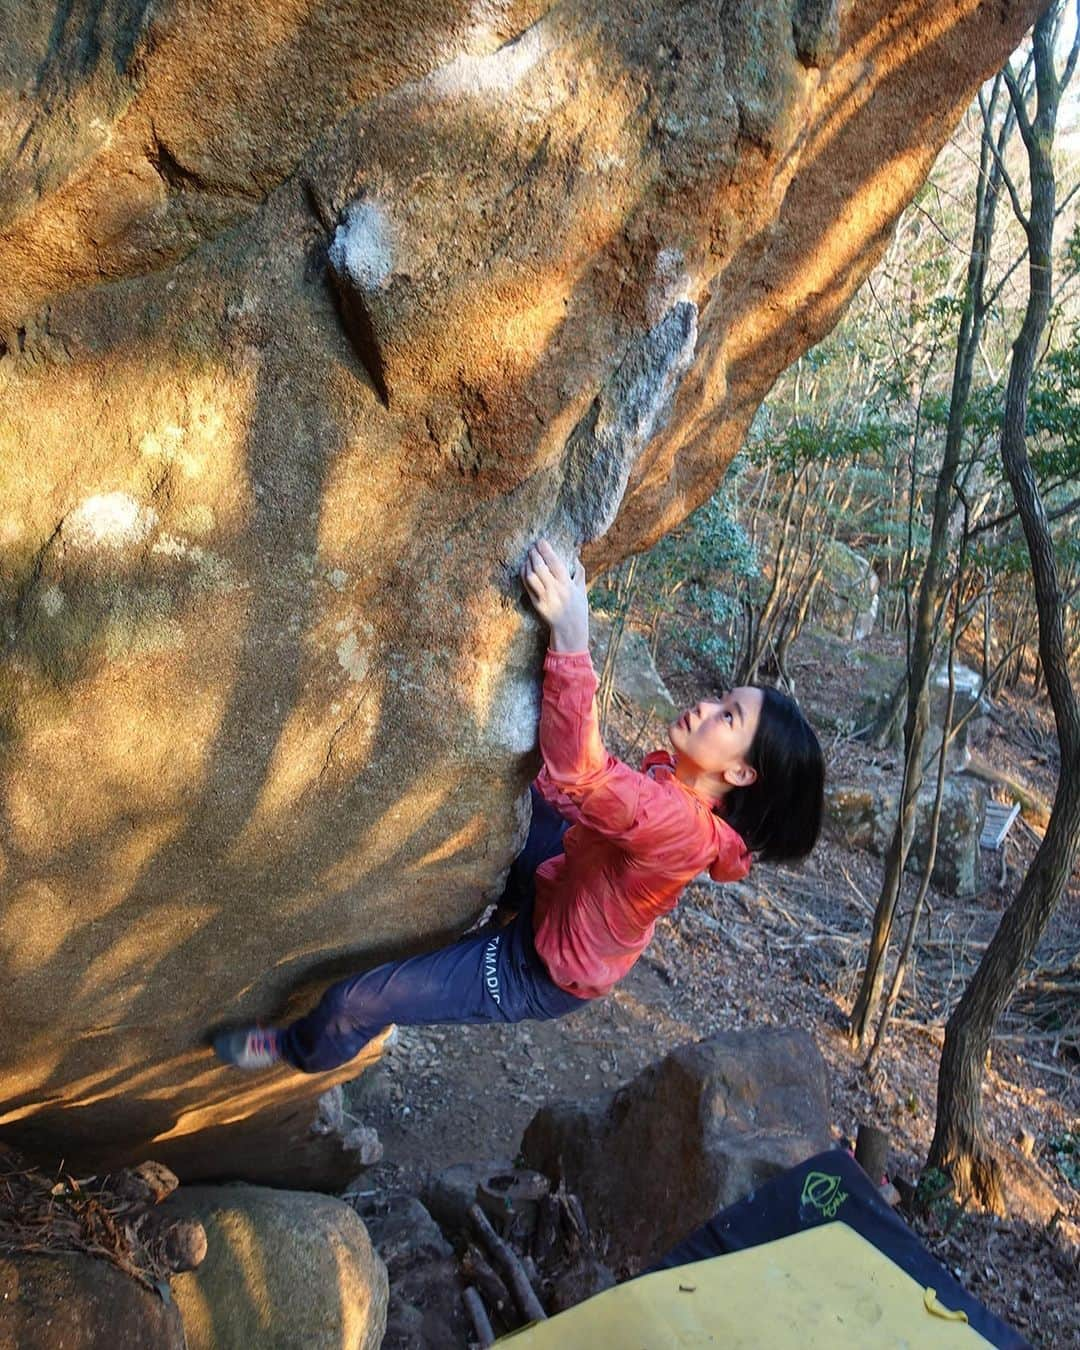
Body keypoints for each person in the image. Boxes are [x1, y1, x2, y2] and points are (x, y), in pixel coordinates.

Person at [214, 539, 824, 1073]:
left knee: (355, 1002)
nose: (707, 706)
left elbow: (585, 775)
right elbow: (584, 794)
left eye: (728, 716)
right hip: (567, 879)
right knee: (526, 786)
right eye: (721, 696)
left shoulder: (684, 829)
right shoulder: (679, 786)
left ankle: (296, 1047)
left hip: (536, 966)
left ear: (740, 772)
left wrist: (572, 636)